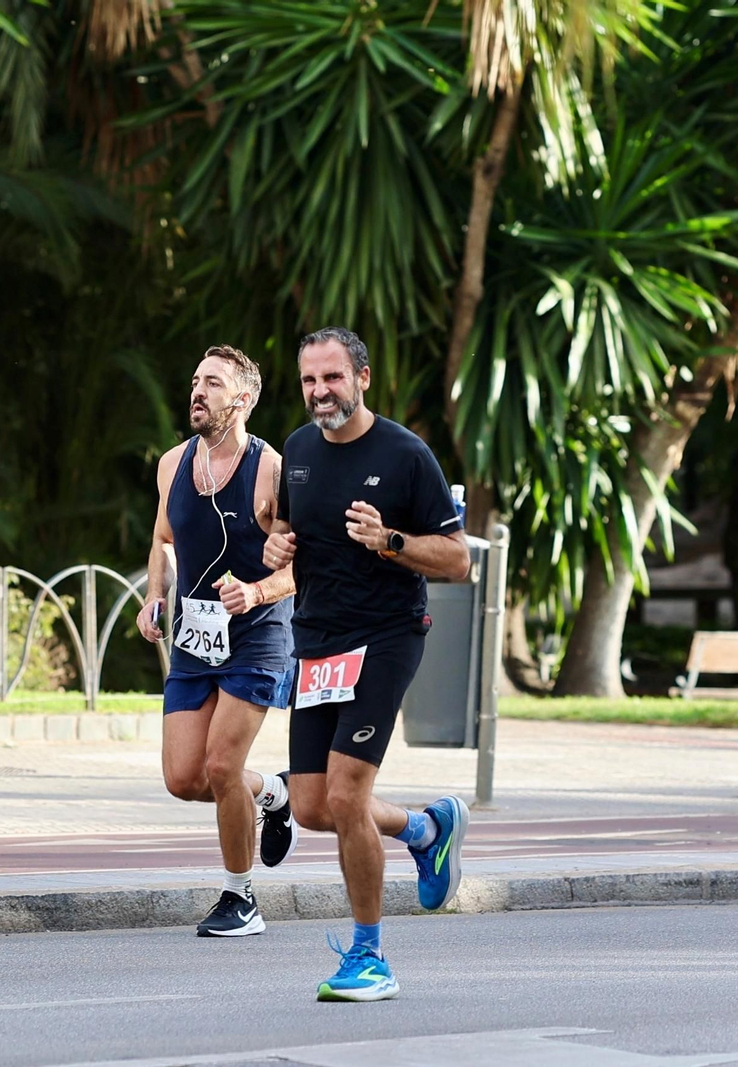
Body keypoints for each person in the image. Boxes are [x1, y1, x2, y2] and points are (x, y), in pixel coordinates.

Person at [264, 326, 471, 1002]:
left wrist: (390, 539)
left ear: (361, 377)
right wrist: (276, 550)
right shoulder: (296, 452)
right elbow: (289, 534)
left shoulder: (406, 455)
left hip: (385, 635)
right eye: (308, 381)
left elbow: (458, 558)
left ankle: (370, 954)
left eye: (331, 378)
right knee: (312, 804)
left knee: (348, 795)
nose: (320, 392)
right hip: (318, 640)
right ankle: (426, 827)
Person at [137, 345, 299, 937]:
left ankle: (241, 897)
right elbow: (162, 536)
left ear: (244, 399)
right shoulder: (172, 464)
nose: (197, 392)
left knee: (221, 765)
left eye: (213, 383)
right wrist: (155, 595)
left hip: (256, 638)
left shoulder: (272, 471)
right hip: (194, 643)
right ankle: (274, 795)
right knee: (185, 778)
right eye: (195, 381)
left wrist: (256, 594)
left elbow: (302, 568)